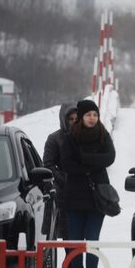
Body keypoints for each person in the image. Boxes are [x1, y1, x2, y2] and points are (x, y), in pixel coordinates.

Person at [61, 99, 116, 268]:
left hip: (97, 196)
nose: (92, 118)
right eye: (88, 115)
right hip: (75, 195)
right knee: (75, 238)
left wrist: (84, 159)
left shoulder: (103, 134)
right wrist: (94, 165)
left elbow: (109, 157)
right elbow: (67, 164)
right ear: (81, 117)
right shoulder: (70, 137)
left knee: (92, 237)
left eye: (95, 115)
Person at [42, 102, 77, 243]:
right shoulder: (54, 138)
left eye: (77, 119)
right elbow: (48, 164)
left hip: (84, 195)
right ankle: (70, 265)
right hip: (63, 195)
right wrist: (64, 179)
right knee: (68, 239)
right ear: (64, 119)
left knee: (84, 240)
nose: (74, 122)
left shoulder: (85, 138)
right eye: (71, 119)